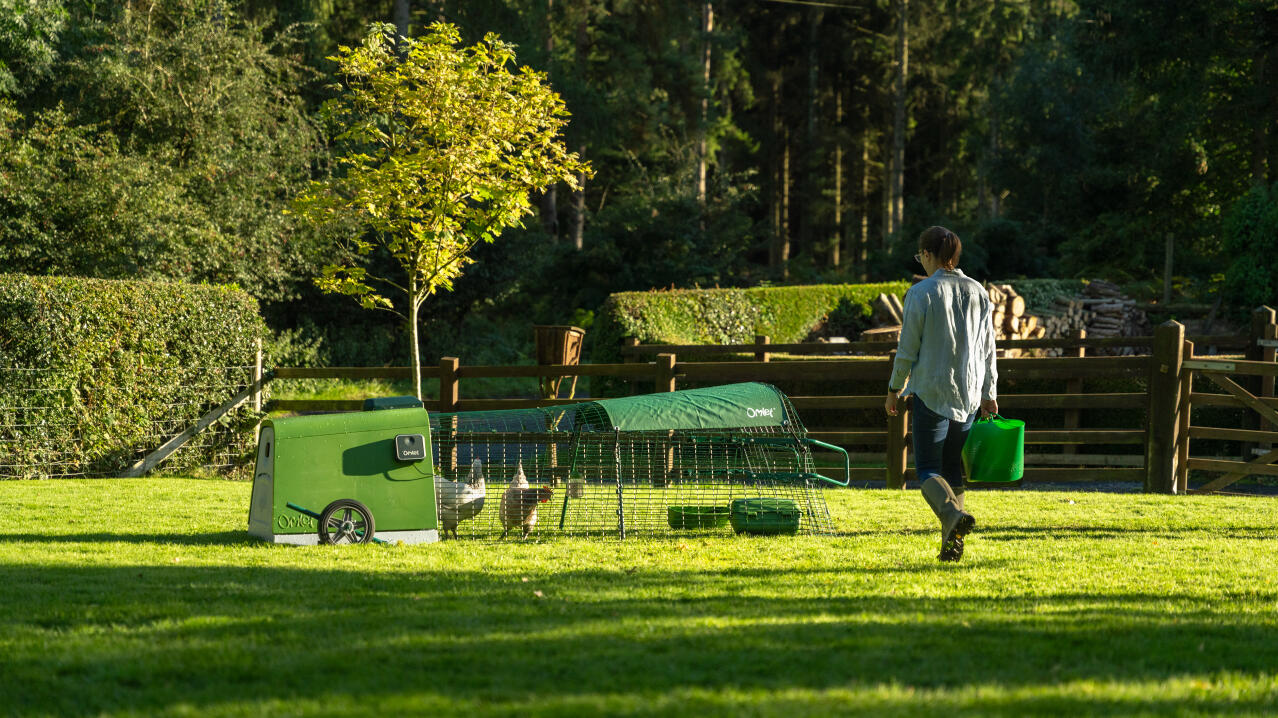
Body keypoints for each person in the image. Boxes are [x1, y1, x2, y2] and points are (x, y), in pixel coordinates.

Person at [884, 226, 998, 562]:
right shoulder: (979, 291)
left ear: (930, 255)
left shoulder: (921, 293)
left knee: (928, 469)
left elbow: (907, 349)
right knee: (952, 469)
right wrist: (989, 391)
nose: (921, 261)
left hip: (932, 390)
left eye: (921, 255)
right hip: (967, 394)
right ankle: (952, 541)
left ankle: (951, 517)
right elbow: (989, 348)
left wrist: (894, 389)